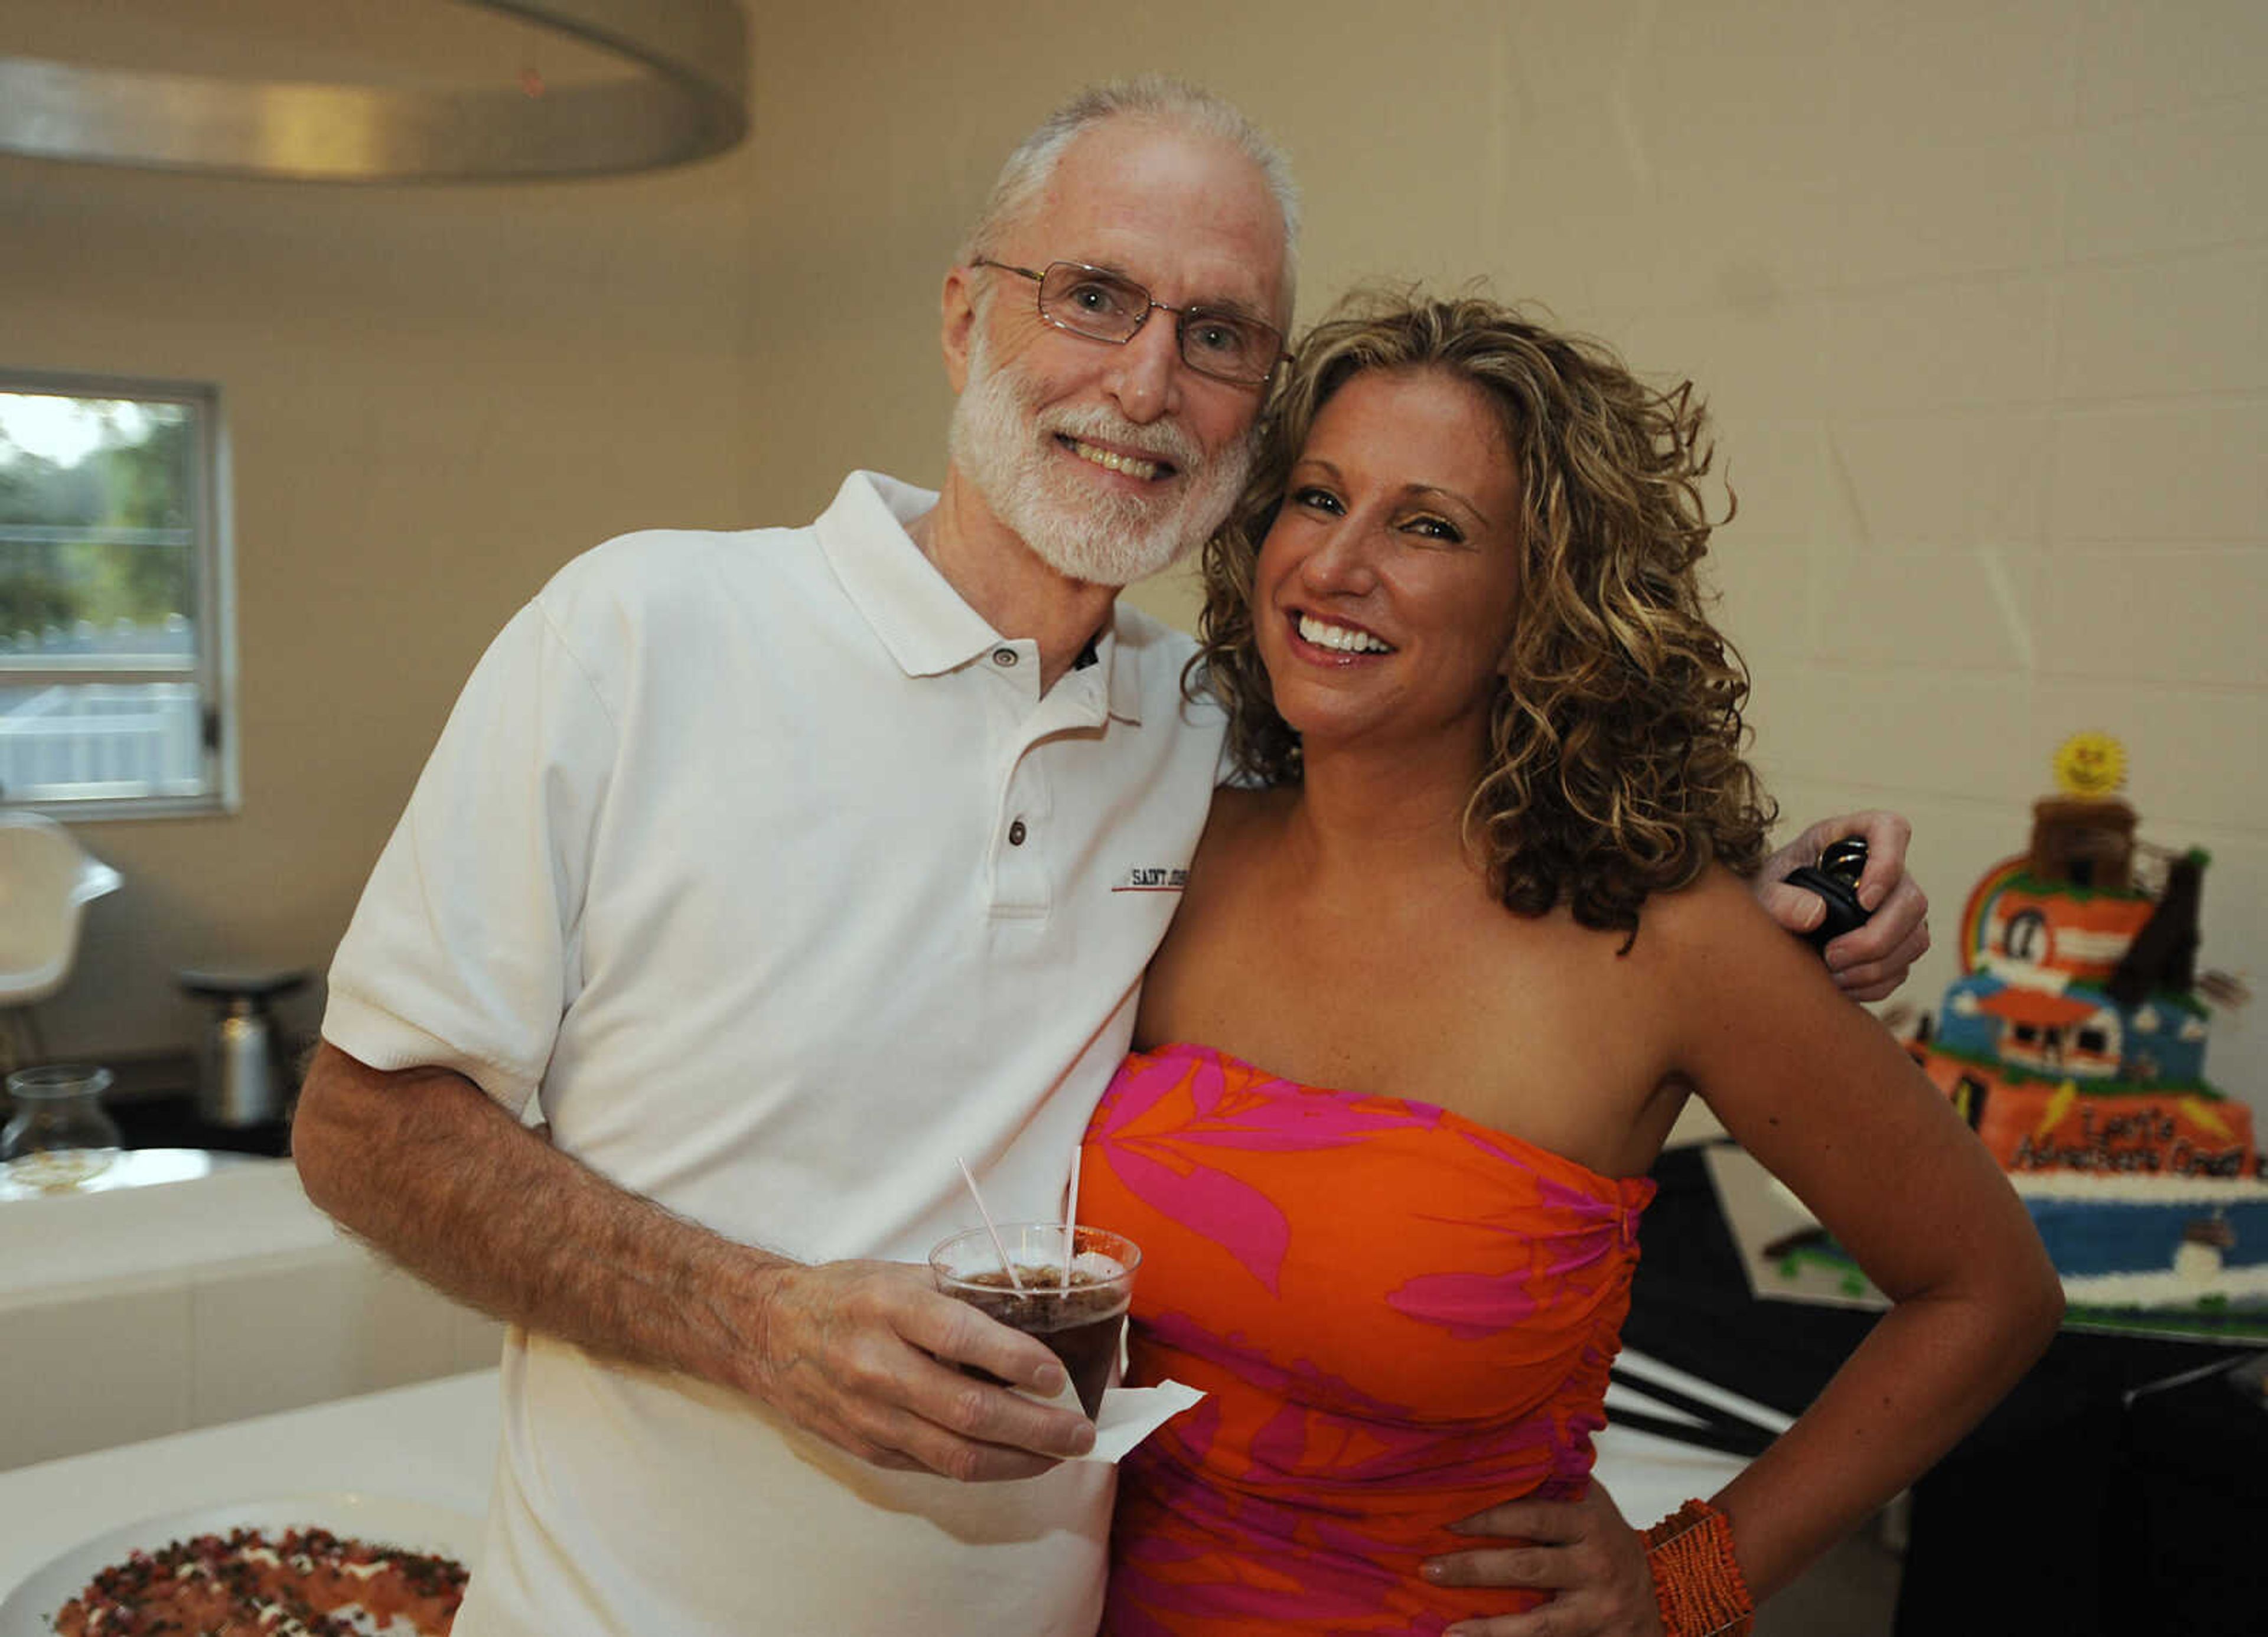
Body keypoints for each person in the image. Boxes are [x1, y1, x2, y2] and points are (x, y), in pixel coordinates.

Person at [292, 79, 1930, 1637]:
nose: (1147, 383)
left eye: (1216, 337)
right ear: (962, 314)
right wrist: (758, 1321)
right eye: (1094, 295)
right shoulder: (643, 631)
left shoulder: (1204, 743)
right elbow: (366, 1126)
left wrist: (1772, 914)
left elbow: (1470, 838)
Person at [1076, 294, 2064, 1637]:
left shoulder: (1667, 943)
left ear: (1545, 592)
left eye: (1428, 525)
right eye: (1317, 499)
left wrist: (1691, 1581)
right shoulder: (1164, 847)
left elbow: (1986, 1293)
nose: (1336, 566)